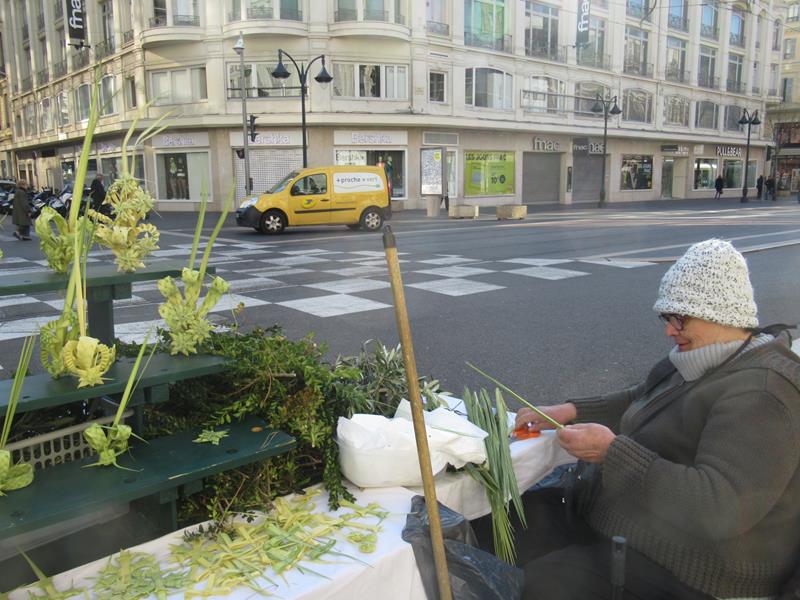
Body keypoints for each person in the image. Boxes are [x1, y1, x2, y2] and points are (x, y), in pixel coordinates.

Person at [489, 239, 800, 599]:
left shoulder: (762, 394)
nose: (669, 330)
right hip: (626, 522)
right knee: (507, 521)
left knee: (543, 580)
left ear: (720, 313)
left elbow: (720, 509)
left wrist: (611, 453)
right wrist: (570, 410)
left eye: (679, 318)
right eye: (666, 318)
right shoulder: (703, 357)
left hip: (693, 568)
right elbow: (642, 397)